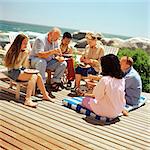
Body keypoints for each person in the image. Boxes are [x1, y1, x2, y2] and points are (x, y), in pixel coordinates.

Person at [4, 34, 53, 108]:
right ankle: (28, 99)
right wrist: (23, 55)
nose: (26, 45)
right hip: (13, 72)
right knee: (33, 76)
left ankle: (45, 95)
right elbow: (15, 66)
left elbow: (24, 66)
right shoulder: (13, 52)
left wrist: (26, 56)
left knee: (38, 74)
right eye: (24, 43)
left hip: (19, 71)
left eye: (27, 43)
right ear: (19, 43)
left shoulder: (23, 51)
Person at [82, 54, 126, 118]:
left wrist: (85, 94)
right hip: (118, 111)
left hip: (106, 112)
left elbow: (96, 96)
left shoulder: (105, 80)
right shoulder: (122, 80)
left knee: (85, 100)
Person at [30, 27, 67, 91]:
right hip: (35, 60)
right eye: (55, 38)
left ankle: (55, 82)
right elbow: (40, 55)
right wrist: (52, 51)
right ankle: (41, 84)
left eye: (57, 39)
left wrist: (59, 57)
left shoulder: (55, 41)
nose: (56, 40)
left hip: (48, 62)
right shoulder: (40, 40)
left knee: (63, 63)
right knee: (42, 61)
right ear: (49, 34)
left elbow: (56, 54)